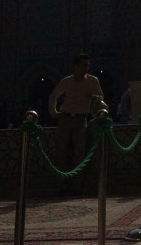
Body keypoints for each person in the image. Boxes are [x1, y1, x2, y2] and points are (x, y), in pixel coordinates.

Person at [48, 53, 103, 192]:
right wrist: (54, 113)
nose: (86, 68)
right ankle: (60, 186)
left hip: (80, 120)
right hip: (65, 119)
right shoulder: (67, 81)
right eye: (84, 65)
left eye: (88, 66)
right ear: (76, 66)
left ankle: (76, 187)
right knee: (61, 152)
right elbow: (54, 96)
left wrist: (93, 97)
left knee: (79, 154)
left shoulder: (92, 81)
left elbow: (101, 98)